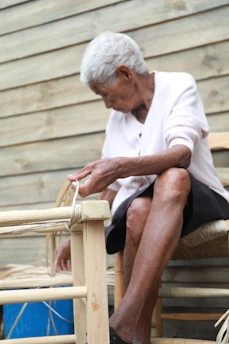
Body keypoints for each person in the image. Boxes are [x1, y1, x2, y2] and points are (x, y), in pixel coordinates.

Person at [56, 31, 229, 344]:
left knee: (174, 176)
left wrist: (121, 165)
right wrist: (77, 228)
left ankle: (124, 317)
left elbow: (182, 155)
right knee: (137, 209)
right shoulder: (118, 120)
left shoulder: (178, 85)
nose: (107, 104)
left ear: (125, 73)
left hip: (196, 197)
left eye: (104, 93)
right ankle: (135, 335)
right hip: (144, 210)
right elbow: (114, 187)